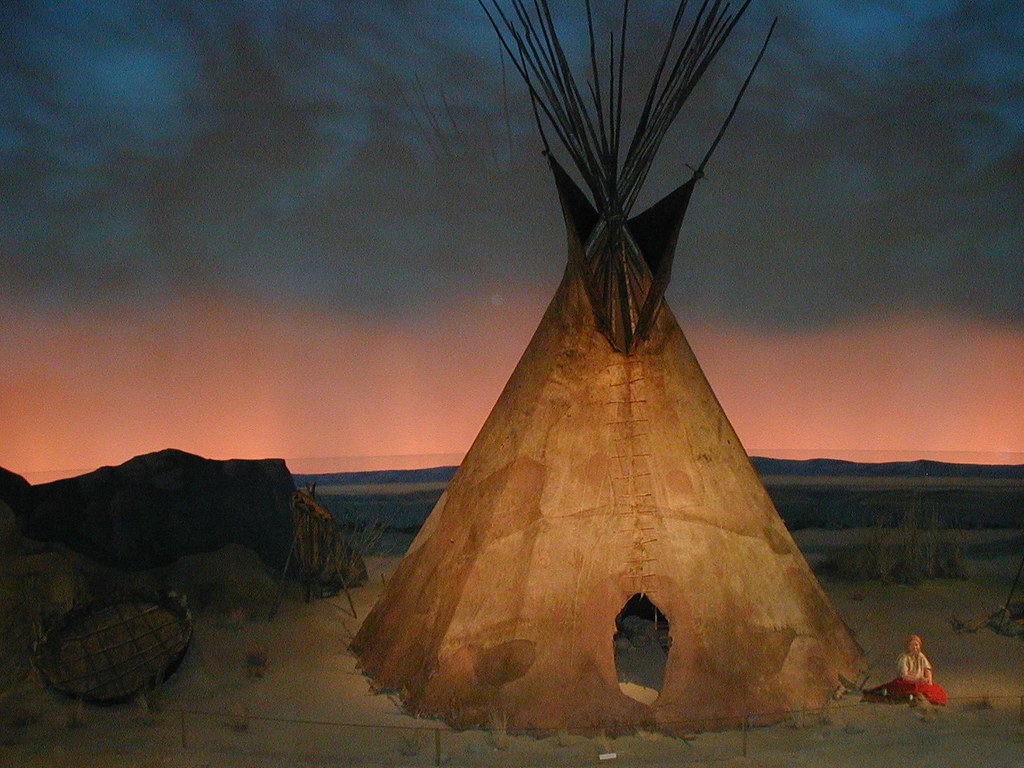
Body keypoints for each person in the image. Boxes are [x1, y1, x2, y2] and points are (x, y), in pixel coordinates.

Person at [864, 634, 948, 706]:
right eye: (912, 645)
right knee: (910, 688)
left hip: (921, 681)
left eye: (917, 645)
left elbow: (927, 669)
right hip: (908, 681)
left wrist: (929, 680)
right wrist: (918, 680)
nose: (915, 647)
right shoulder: (903, 658)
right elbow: (904, 676)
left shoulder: (921, 656)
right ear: (908, 646)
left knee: (936, 689)